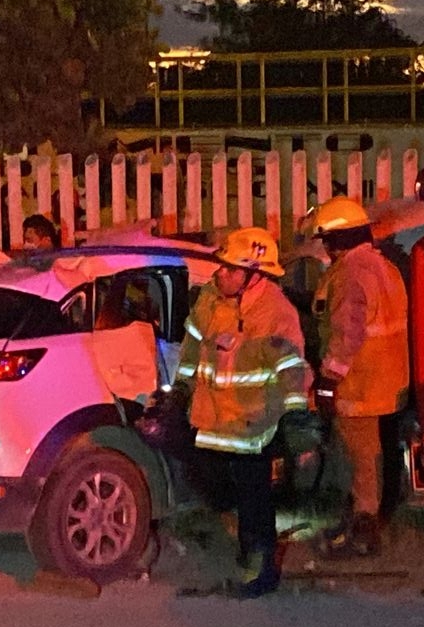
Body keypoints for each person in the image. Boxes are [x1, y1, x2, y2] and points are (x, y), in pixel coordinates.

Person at [174, 227, 312, 598]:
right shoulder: (209, 299)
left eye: (231, 269)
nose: (220, 274)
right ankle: (242, 551)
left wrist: (296, 416)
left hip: (254, 427)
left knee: (255, 500)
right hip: (213, 422)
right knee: (216, 490)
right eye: (221, 267)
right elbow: (191, 349)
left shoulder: (276, 313)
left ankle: (260, 568)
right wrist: (180, 391)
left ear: (255, 275)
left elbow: (291, 371)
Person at [302, 197, 409, 558]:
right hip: (388, 383)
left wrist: (328, 380)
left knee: (359, 462)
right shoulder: (385, 268)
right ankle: (364, 524)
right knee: (374, 458)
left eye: (327, 240)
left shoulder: (349, 274)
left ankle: (363, 533)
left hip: (358, 386)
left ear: (338, 238)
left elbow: (347, 333)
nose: (326, 248)